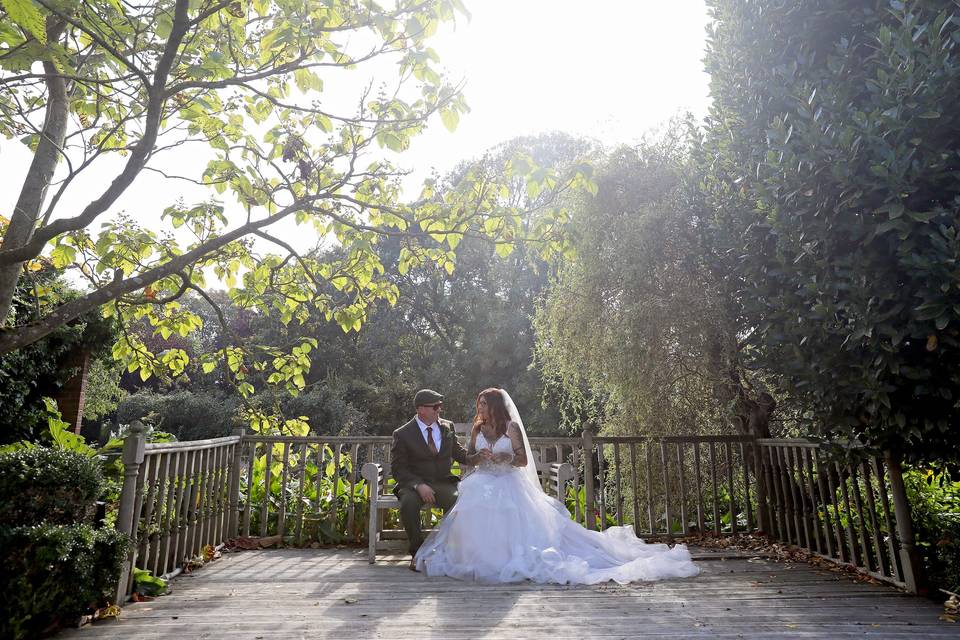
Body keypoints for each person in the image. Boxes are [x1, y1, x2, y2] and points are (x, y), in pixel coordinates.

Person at [414, 388, 700, 584]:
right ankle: (478, 558)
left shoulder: (511, 428)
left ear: (496, 407)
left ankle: (507, 559)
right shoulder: (477, 428)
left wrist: (505, 456)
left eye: (484, 405)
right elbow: (469, 459)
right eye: (478, 405)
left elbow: (523, 461)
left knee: (505, 508)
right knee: (473, 499)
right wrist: (480, 457)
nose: (480, 409)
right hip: (483, 478)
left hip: (507, 479)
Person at [390, 388, 486, 571]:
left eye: (440, 406)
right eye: (435, 407)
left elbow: (459, 453)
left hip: (442, 482)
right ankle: (416, 554)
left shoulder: (447, 427)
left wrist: (477, 457)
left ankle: (451, 552)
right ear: (421, 409)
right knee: (408, 505)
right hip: (413, 485)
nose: (439, 410)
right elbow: (399, 469)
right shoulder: (402, 434)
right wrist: (418, 485)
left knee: (459, 501)